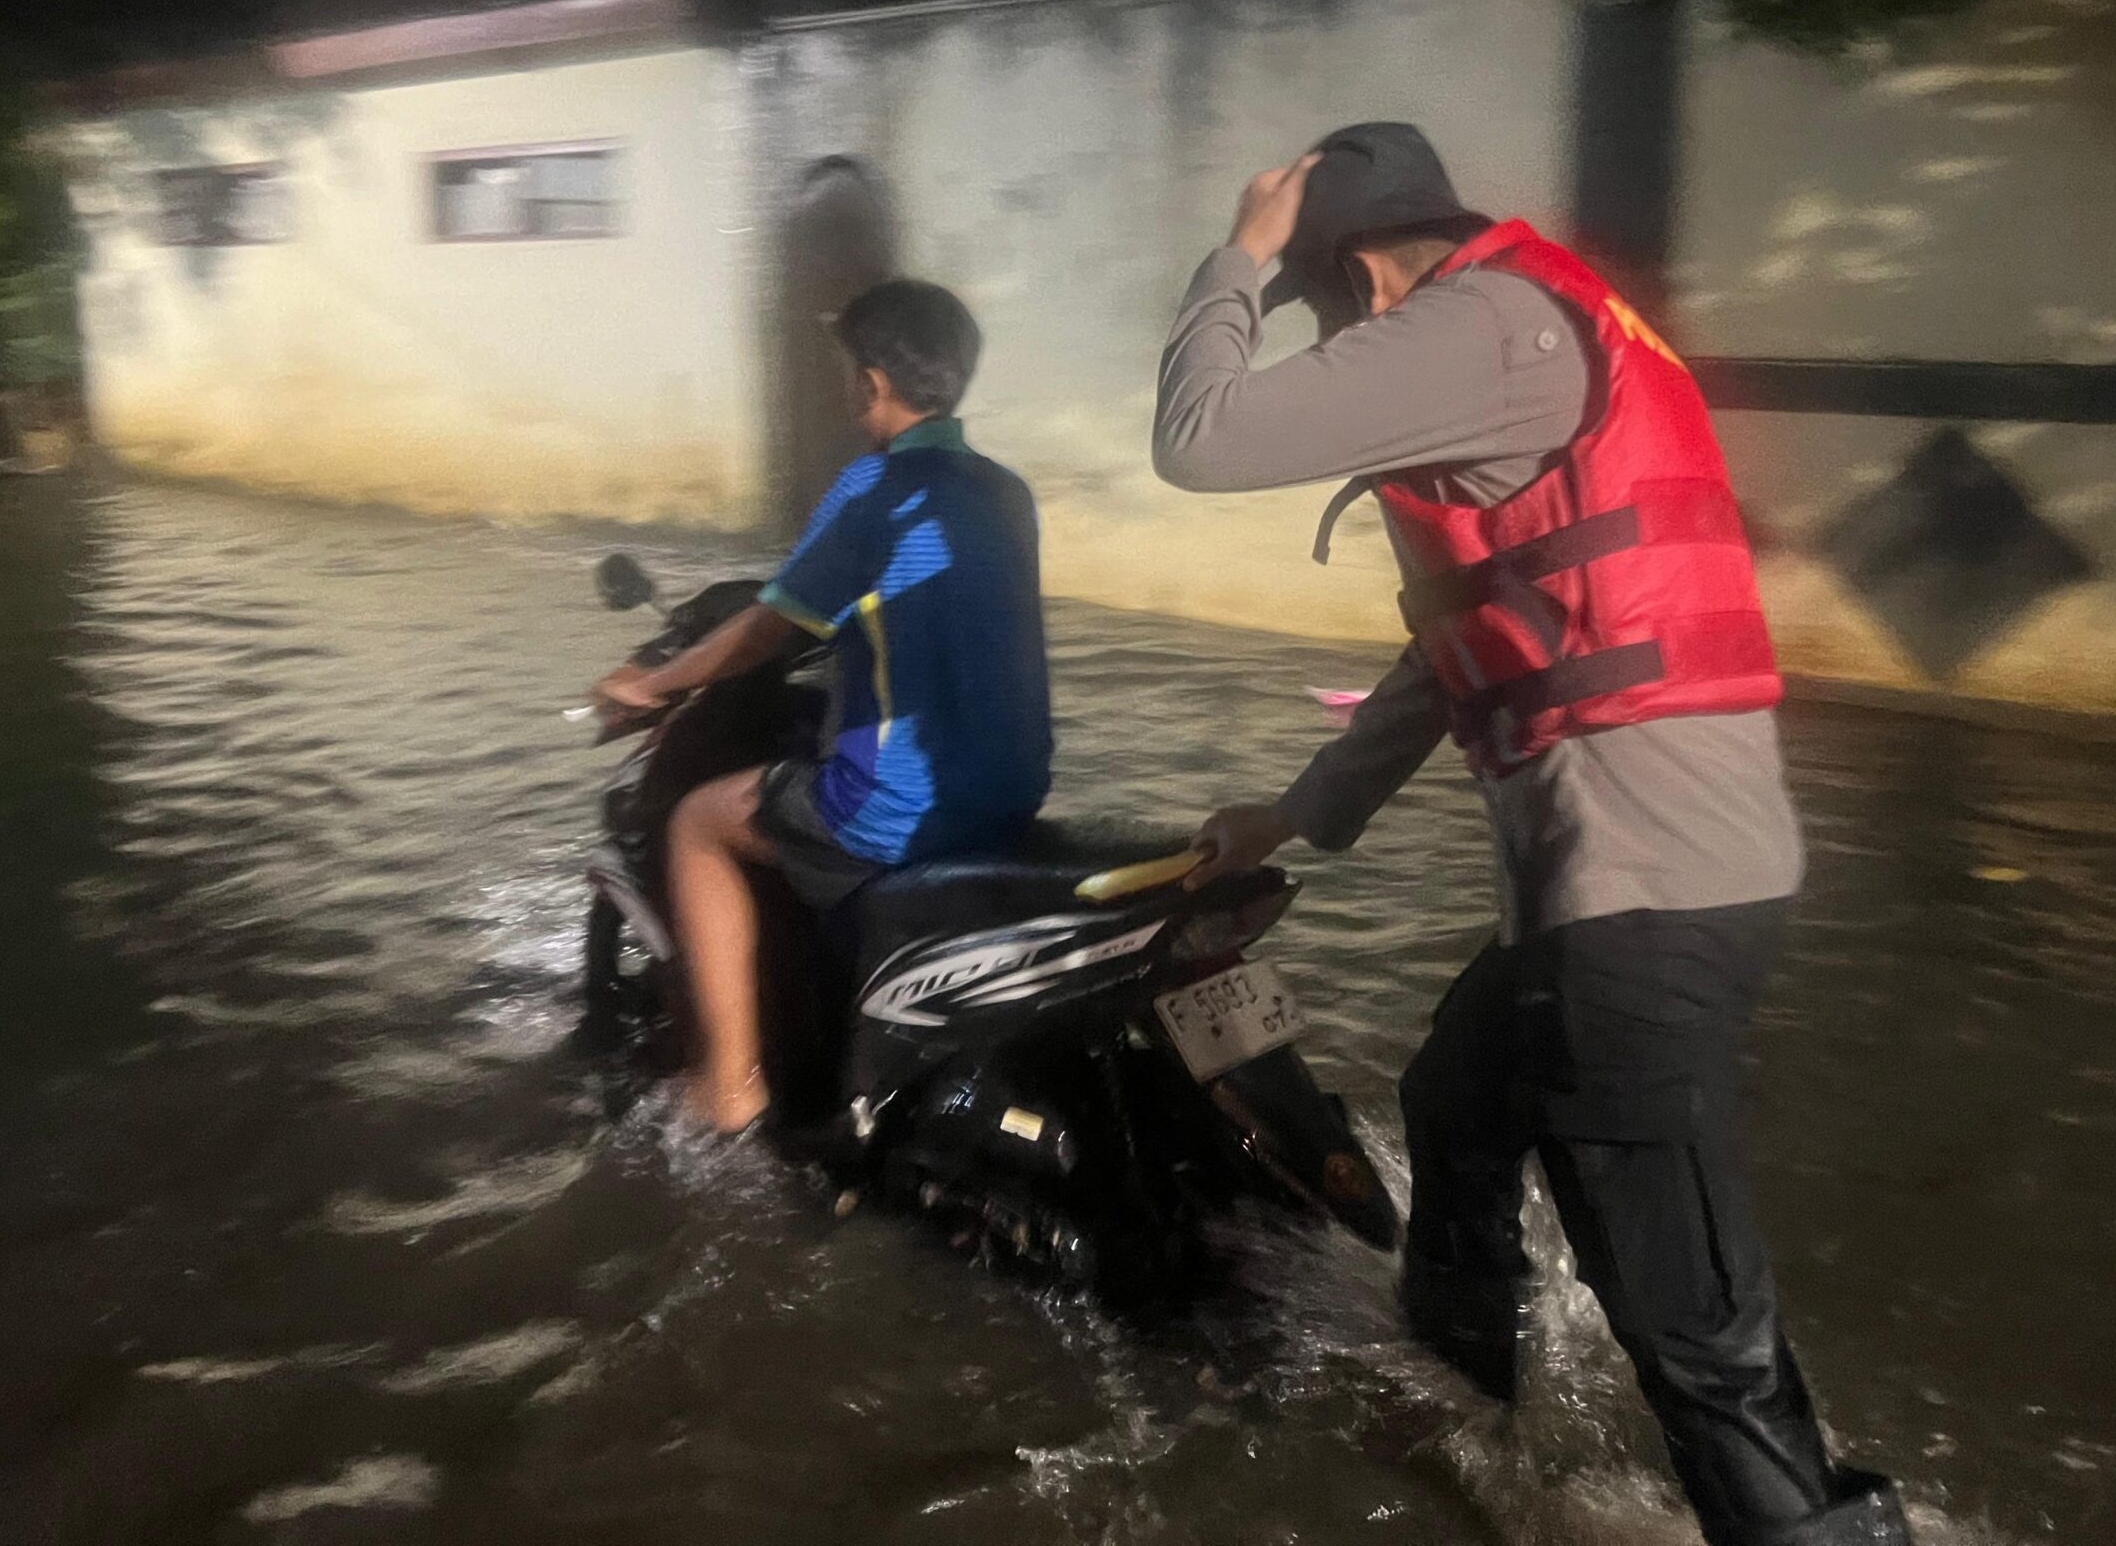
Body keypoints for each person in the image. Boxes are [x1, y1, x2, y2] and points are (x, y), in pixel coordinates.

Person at [1151, 125, 1910, 1546]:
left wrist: (1239, 260)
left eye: (1317, 303)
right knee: (1457, 1094)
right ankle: (1465, 1405)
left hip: (1644, 905)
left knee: (1690, 1325)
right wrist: (1301, 812)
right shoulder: (1524, 330)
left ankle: (1802, 1526)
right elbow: (1468, 635)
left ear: (1365, 276)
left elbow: (1199, 439)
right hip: (1630, 891)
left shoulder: (1477, 327)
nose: (1328, 337)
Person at [595, 279, 1053, 1132]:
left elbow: (767, 628)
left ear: (873, 384)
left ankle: (727, 1090)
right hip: (1014, 792)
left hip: (900, 810)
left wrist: (648, 683)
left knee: (698, 821)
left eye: (850, 372)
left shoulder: (872, 490)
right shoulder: (1004, 493)